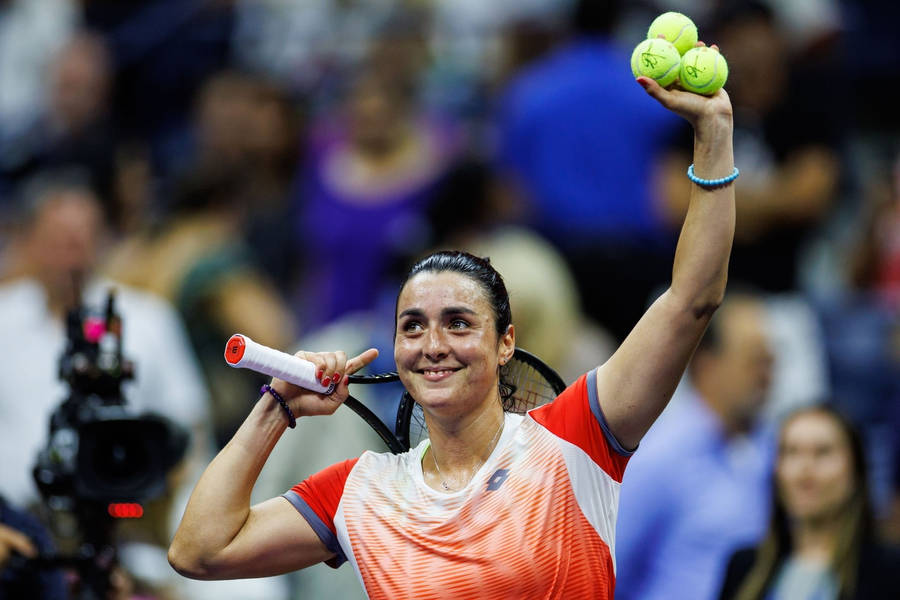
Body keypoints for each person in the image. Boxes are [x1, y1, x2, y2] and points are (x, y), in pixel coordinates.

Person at [168, 42, 738, 598]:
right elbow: (200, 551)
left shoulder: (577, 437)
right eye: (412, 326)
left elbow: (691, 299)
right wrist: (276, 407)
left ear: (506, 343)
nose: (433, 343)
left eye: (459, 323)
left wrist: (712, 136)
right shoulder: (361, 490)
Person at [615, 293, 776, 600]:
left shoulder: (769, 448)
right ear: (707, 366)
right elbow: (608, 570)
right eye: (755, 362)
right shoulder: (660, 456)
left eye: (770, 362)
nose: (767, 376)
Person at [718, 406, 900, 599]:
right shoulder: (744, 567)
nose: (805, 468)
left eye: (822, 452)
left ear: (855, 471)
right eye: (792, 452)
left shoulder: (889, 572)